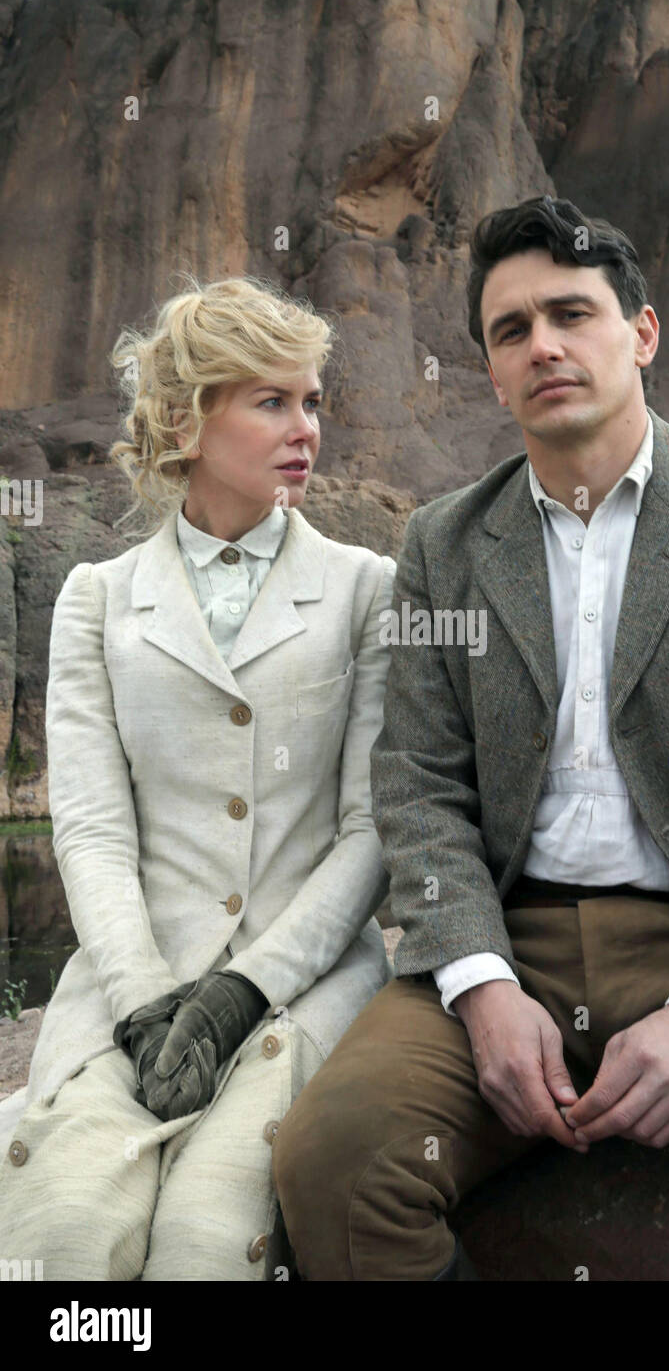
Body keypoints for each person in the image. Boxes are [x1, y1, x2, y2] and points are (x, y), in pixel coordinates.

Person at [272, 194, 669, 1281]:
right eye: (510, 330)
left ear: (639, 333)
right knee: (335, 1166)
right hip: (512, 939)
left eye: (570, 313)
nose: (542, 344)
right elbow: (417, 789)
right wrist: (481, 983)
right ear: (491, 373)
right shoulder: (443, 543)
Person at [0, 275, 394, 1280]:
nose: (305, 426)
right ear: (186, 420)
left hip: (298, 987)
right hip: (131, 981)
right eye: (271, 400)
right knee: (62, 1238)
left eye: (311, 400)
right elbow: (89, 827)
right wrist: (140, 997)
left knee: (207, 1241)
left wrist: (241, 991)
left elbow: (371, 831)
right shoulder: (95, 598)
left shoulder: (365, 590)